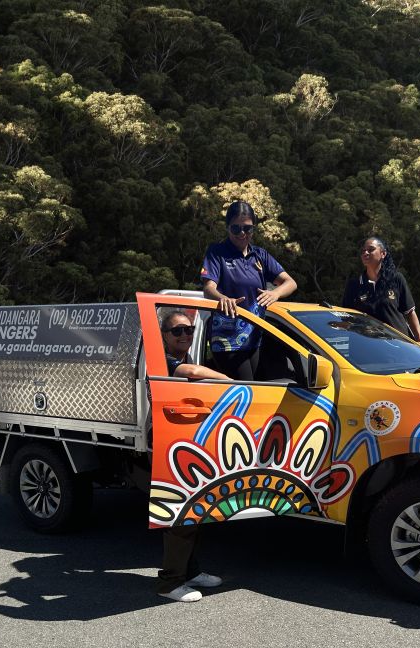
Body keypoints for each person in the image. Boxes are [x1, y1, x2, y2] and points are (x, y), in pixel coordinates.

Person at [156, 309, 227, 603]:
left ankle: (190, 572)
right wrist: (227, 378)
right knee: (180, 514)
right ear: (164, 336)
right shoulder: (169, 362)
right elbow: (192, 374)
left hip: (186, 443)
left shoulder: (187, 356)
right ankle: (170, 582)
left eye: (188, 330)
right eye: (177, 331)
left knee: (194, 513)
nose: (184, 335)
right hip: (165, 443)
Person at [200, 200, 297, 380]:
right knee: (245, 392)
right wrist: (223, 298)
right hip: (227, 341)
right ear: (227, 228)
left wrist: (275, 293)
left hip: (255, 338)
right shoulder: (217, 252)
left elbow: (290, 283)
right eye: (236, 229)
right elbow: (208, 288)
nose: (242, 233)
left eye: (247, 228)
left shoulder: (259, 254)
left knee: (258, 389)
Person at [342, 236, 420, 343]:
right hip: (367, 348)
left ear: (383, 254)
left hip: (400, 346)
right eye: (363, 251)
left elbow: (410, 313)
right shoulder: (354, 284)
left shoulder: (396, 279)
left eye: (371, 249)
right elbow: (346, 318)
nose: (365, 253)